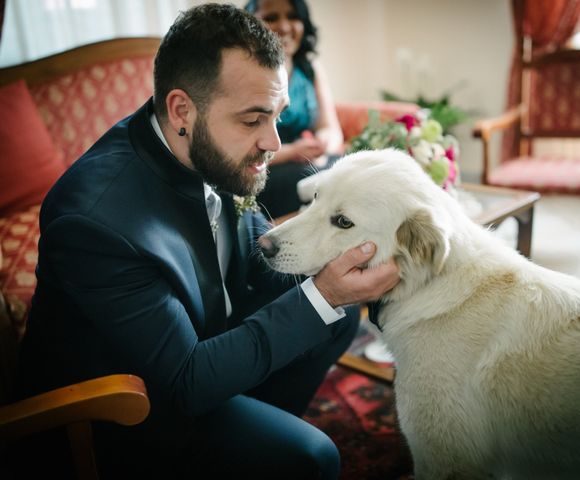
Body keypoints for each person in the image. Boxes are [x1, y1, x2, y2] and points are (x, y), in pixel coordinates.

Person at [13, 4, 399, 479]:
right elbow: (185, 382)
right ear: (181, 110)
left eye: (275, 116)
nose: (273, 142)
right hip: (121, 416)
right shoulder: (95, 223)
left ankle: (253, 445)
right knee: (311, 455)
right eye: (253, 119)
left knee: (332, 315)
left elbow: (260, 261)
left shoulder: (209, 149)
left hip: (195, 354)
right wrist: (324, 295)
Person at [245, 0, 344, 219]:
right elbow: (241, 150)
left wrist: (321, 145)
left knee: (347, 168)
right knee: (314, 177)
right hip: (267, 168)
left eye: (292, 16)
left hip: (310, 161)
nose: (285, 26)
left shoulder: (310, 68)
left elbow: (330, 128)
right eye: (272, 18)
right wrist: (293, 152)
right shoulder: (245, 72)